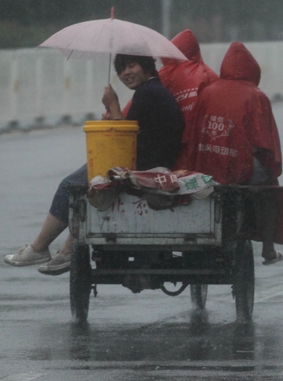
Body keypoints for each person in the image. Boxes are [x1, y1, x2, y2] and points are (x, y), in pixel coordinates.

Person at [3, 54, 183, 275]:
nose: (126, 73)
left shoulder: (149, 93)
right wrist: (114, 116)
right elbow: (136, 131)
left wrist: (114, 105)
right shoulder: (152, 91)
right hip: (148, 161)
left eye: (131, 66)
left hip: (142, 166)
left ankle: (39, 247)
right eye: (121, 69)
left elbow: (124, 143)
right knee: (87, 191)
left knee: (69, 185)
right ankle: (67, 252)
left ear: (146, 67)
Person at [186, 41, 283, 264]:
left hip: (207, 168)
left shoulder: (207, 92)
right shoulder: (256, 95)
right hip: (242, 171)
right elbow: (265, 143)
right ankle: (268, 250)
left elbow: (194, 134)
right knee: (269, 192)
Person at [122, 29, 218, 169]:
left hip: (170, 154)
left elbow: (126, 119)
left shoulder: (162, 75)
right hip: (199, 147)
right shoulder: (209, 75)